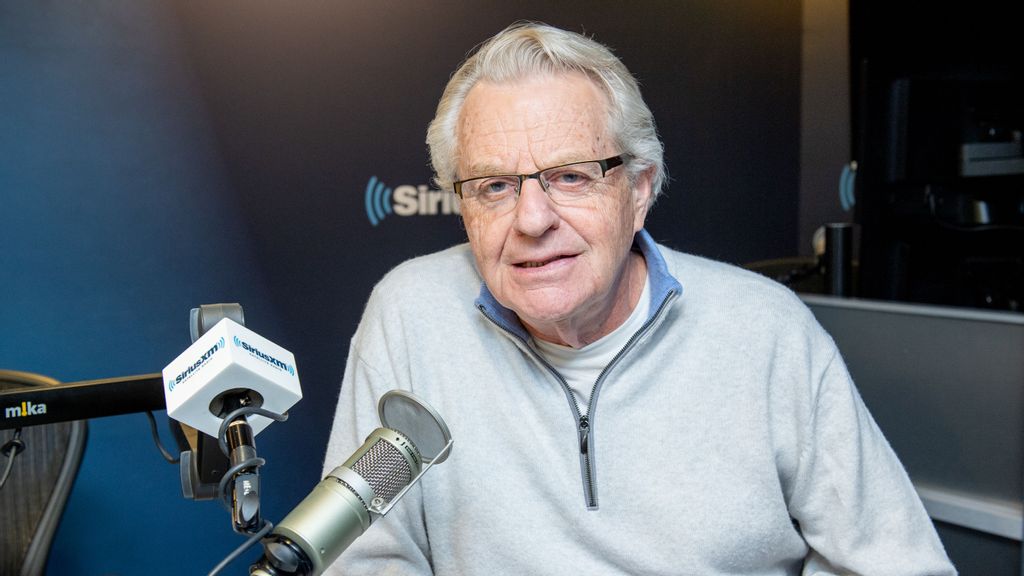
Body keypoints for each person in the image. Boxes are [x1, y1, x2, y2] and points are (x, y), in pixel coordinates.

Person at [321, 21, 956, 575]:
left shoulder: (767, 333)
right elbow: (365, 558)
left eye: (570, 176)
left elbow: (896, 563)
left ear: (639, 189)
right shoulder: (411, 312)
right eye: (494, 186)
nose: (532, 219)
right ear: (462, 204)